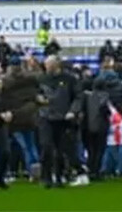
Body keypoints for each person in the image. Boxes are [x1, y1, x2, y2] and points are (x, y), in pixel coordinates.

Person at [38, 55, 81, 188]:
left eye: (49, 65)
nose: (47, 68)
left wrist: (73, 111)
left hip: (63, 119)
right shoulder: (41, 79)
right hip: (45, 117)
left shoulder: (69, 79)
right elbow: (36, 93)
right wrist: (38, 98)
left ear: (56, 65)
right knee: (46, 147)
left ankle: (59, 176)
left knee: (61, 150)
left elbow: (78, 97)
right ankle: (46, 177)